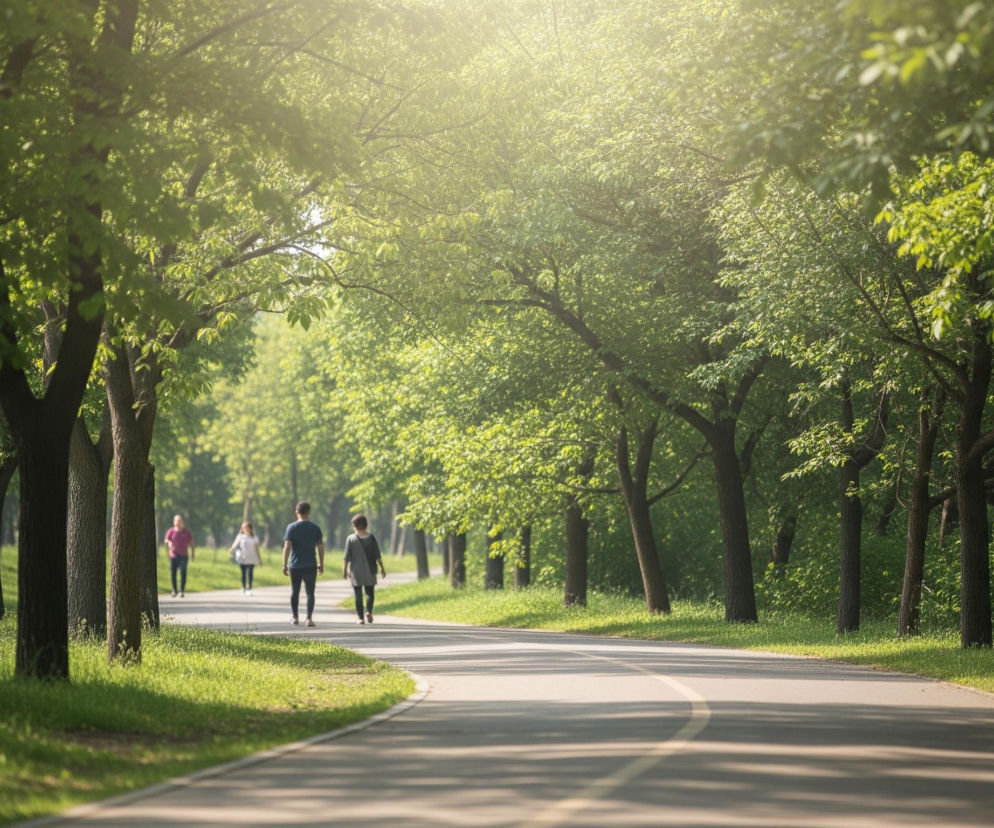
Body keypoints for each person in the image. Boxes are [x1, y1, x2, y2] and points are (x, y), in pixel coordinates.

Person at [282, 501, 324, 627]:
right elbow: (320, 547)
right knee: (310, 593)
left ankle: (295, 617)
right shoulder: (315, 528)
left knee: (295, 591)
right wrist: (321, 563)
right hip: (311, 565)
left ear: (297, 512)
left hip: (295, 565)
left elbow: (287, 547)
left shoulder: (291, 527)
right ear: (309, 512)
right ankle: (309, 619)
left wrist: (284, 564)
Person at [343, 514, 386, 625]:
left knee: (358, 594)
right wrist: (382, 569)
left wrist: (344, 570)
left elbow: (347, 557)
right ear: (366, 525)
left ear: (354, 526)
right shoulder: (371, 538)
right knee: (370, 593)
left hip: (356, 572)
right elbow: (378, 555)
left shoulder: (350, 539)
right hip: (370, 570)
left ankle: (361, 618)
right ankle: (369, 611)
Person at [164, 514, 195, 597]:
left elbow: (191, 543)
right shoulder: (171, 531)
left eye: (180, 520)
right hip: (173, 555)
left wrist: (192, 554)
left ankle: (182, 590)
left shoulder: (186, 532)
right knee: (173, 573)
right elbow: (166, 540)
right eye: (177, 520)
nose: (178, 522)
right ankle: (174, 590)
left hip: (184, 556)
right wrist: (169, 542)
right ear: (174, 522)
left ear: (182, 522)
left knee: (183, 571)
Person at [230, 521, 263, 595]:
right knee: (243, 574)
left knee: (250, 573)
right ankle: (244, 588)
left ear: (250, 528)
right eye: (243, 527)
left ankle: (250, 588)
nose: (245, 528)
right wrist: (232, 550)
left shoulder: (254, 538)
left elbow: (257, 549)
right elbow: (234, 546)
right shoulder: (240, 536)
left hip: (252, 558)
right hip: (242, 558)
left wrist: (259, 559)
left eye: (246, 527)